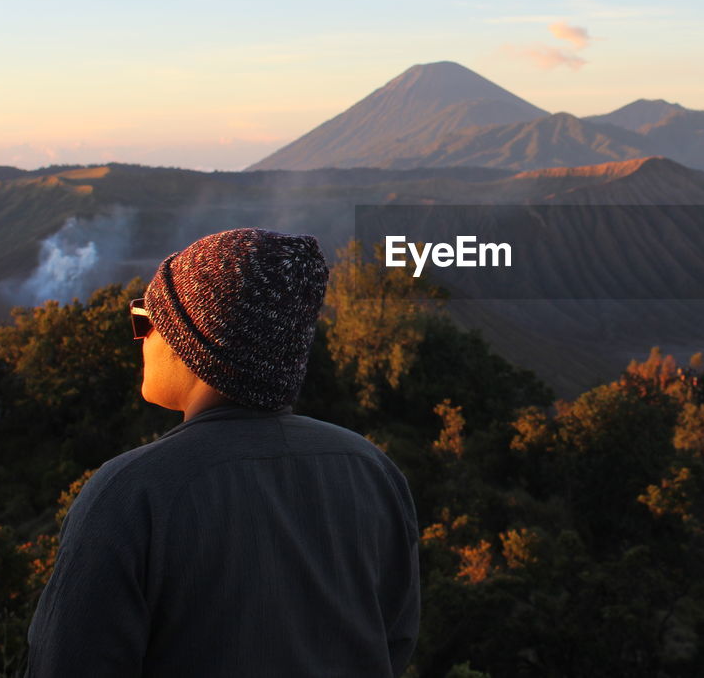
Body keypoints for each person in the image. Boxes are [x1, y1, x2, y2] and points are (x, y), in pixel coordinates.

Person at [26, 228, 420, 677]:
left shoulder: (130, 494)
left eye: (144, 319)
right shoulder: (371, 471)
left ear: (188, 341)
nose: (139, 338)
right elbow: (394, 641)